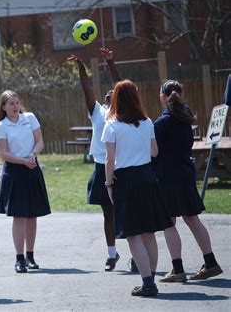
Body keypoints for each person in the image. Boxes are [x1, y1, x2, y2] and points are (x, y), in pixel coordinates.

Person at [101, 80, 173, 297]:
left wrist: (109, 184)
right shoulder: (148, 121)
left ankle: (148, 283)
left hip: (126, 179)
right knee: (148, 231)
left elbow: (109, 159)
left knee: (133, 234)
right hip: (147, 176)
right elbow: (154, 152)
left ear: (116, 99)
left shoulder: (112, 125)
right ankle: (150, 276)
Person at [154, 80, 223, 282]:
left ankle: (177, 269)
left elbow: (154, 152)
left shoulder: (161, 123)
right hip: (185, 175)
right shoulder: (186, 120)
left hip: (167, 177)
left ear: (163, 97)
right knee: (192, 219)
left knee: (169, 223)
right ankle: (210, 263)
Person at [67, 48, 122, 272]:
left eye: (114, 92)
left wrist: (110, 62)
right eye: (108, 92)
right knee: (108, 213)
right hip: (102, 167)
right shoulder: (97, 111)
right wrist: (81, 67)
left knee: (127, 212)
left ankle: (139, 256)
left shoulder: (123, 112)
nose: (110, 92)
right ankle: (112, 254)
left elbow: (121, 85)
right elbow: (86, 88)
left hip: (123, 167)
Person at [0, 90, 51, 273]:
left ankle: (30, 256)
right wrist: (23, 161)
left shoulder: (30, 118)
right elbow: (4, 154)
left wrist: (32, 155)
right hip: (14, 171)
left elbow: (40, 141)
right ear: (3, 107)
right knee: (19, 216)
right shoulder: (1, 126)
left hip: (32, 167)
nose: (15, 107)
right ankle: (19, 259)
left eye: (17, 103)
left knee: (32, 215)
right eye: (11, 104)